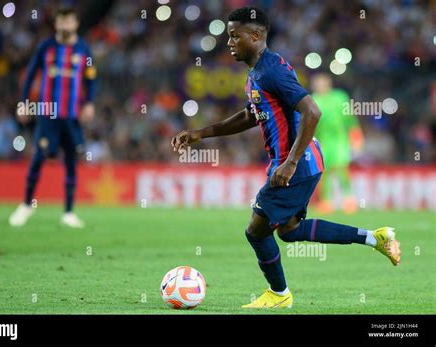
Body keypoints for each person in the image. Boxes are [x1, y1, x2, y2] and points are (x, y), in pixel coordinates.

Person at [171, 7, 401, 309]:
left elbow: (312, 111)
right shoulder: (257, 72)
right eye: (228, 36)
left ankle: (279, 294)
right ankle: (375, 238)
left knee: (256, 231)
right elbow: (250, 116)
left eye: (234, 36)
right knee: (290, 231)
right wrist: (202, 133)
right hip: (299, 162)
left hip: (296, 164)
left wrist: (290, 162)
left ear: (255, 36)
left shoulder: (272, 70)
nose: (228, 42)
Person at [9, 7, 96, 228]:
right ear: (56, 24)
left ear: (75, 24)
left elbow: (91, 79)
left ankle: (68, 212)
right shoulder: (46, 47)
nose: (65, 25)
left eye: (69, 21)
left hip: (73, 115)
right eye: (61, 21)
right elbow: (30, 75)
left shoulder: (84, 49)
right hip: (48, 114)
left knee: (71, 160)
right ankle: (26, 205)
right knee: (40, 155)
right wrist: (23, 102)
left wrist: (89, 104)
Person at [311, 72, 363, 213]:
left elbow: (350, 119)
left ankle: (348, 199)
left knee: (341, 168)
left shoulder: (340, 97)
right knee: (324, 171)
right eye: (317, 84)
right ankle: (326, 201)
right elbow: (310, 125)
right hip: (323, 142)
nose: (320, 86)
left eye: (323, 83)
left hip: (340, 140)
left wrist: (356, 137)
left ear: (329, 84)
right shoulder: (313, 100)